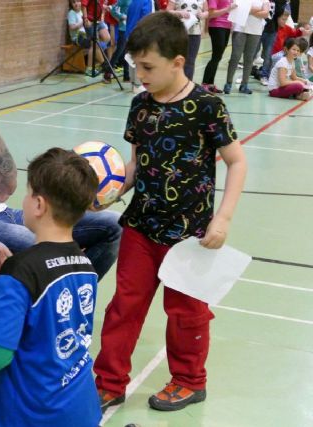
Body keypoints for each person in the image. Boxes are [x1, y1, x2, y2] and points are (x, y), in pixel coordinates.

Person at [0, 19, 122, 420]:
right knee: (27, 247)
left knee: (108, 226)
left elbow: (11, 180)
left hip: (0, 214)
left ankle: (35, 321)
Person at [94, 12, 247, 412]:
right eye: (136, 66)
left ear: (178, 62)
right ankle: (108, 381)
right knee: (124, 306)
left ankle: (189, 380)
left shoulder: (207, 105)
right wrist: (110, 192)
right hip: (140, 228)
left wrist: (224, 218)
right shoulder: (139, 106)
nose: (140, 74)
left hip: (190, 235)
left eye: (148, 67)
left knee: (187, 313)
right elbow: (135, 164)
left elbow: (237, 162)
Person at [0, 147, 103, 427]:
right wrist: (15, 271)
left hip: (28, 414)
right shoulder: (85, 264)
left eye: (27, 193)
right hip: (81, 408)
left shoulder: (21, 272)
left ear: (38, 205)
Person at [223, 0, 270, 94]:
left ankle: (244, 85)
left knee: (249, 58)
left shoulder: (264, 0)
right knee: (235, 56)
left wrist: (247, 10)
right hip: (240, 28)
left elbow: (265, 13)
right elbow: (237, 9)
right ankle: (228, 83)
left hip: (255, 31)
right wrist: (257, 10)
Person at [166, 0, 209, 81]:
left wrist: (203, 15)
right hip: (179, 32)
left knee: (190, 61)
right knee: (176, 60)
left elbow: (207, 11)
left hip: (195, 33)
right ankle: (175, 85)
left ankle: (187, 86)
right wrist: (179, 13)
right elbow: (168, 11)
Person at [201, 0, 238, 93]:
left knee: (218, 57)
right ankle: (204, 83)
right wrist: (227, 9)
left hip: (226, 27)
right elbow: (211, 14)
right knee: (216, 56)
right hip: (217, 26)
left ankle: (210, 84)